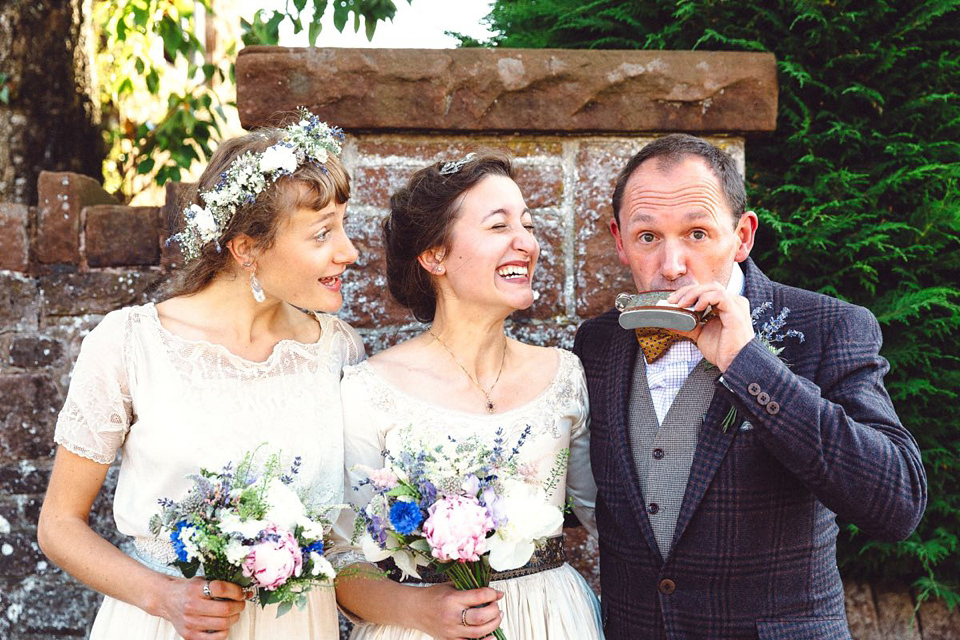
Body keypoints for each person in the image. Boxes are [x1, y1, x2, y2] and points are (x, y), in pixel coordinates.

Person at [572, 134, 927, 639]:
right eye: (648, 236)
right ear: (620, 241)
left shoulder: (829, 326)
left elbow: (897, 505)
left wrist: (748, 363)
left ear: (742, 236)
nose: (672, 266)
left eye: (697, 233)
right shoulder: (598, 343)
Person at [37, 111, 364, 640]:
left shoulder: (339, 351)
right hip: (168, 627)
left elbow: (349, 538)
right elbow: (58, 526)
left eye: (344, 225)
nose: (349, 251)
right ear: (247, 249)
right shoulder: (130, 344)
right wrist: (162, 596)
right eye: (323, 232)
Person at [334, 151, 604, 640]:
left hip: (553, 622)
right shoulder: (369, 390)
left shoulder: (564, 375)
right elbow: (345, 559)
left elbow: (610, 516)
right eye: (499, 226)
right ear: (434, 255)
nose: (527, 243)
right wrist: (420, 611)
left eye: (527, 224)